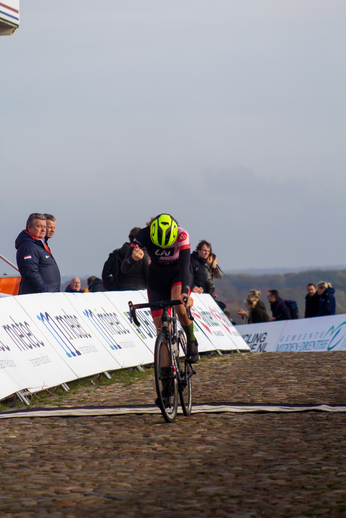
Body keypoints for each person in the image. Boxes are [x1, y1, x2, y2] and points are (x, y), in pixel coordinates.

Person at [121, 214, 198, 365]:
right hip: (156, 277)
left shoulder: (182, 234)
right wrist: (132, 259)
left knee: (179, 305)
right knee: (161, 330)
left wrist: (185, 291)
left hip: (178, 274)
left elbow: (184, 265)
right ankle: (165, 375)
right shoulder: (143, 234)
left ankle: (191, 340)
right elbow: (124, 268)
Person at [15, 213, 61, 294]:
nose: (43, 230)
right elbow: (30, 273)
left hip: (47, 296)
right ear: (29, 227)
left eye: (44, 227)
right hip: (38, 298)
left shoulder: (39, 244)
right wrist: (46, 291)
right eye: (39, 226)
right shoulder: (28, 246)